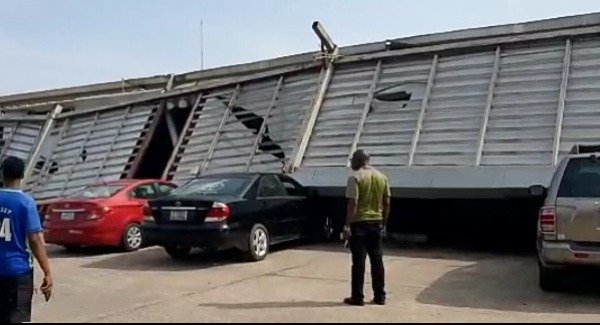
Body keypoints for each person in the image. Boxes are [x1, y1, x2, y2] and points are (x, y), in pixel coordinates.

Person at [0, 156, 52, 323]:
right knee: (17, 317)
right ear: (22, 176)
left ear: (2, 174)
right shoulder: (25, 203)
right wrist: (47, 272)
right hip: (18, 271)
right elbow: (35, 240)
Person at [343, 150, 390, 306]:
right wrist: (383, 223)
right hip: (376, 223)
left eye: (353, 161)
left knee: (359, 262)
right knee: (377, 260)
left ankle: (357, 297)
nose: (351, 164)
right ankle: (380, 296)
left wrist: (347, 225)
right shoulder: (382, 177)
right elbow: (387, 203)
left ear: (358, 161)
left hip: (359, 225)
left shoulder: (355, 177)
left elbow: (353, 204)